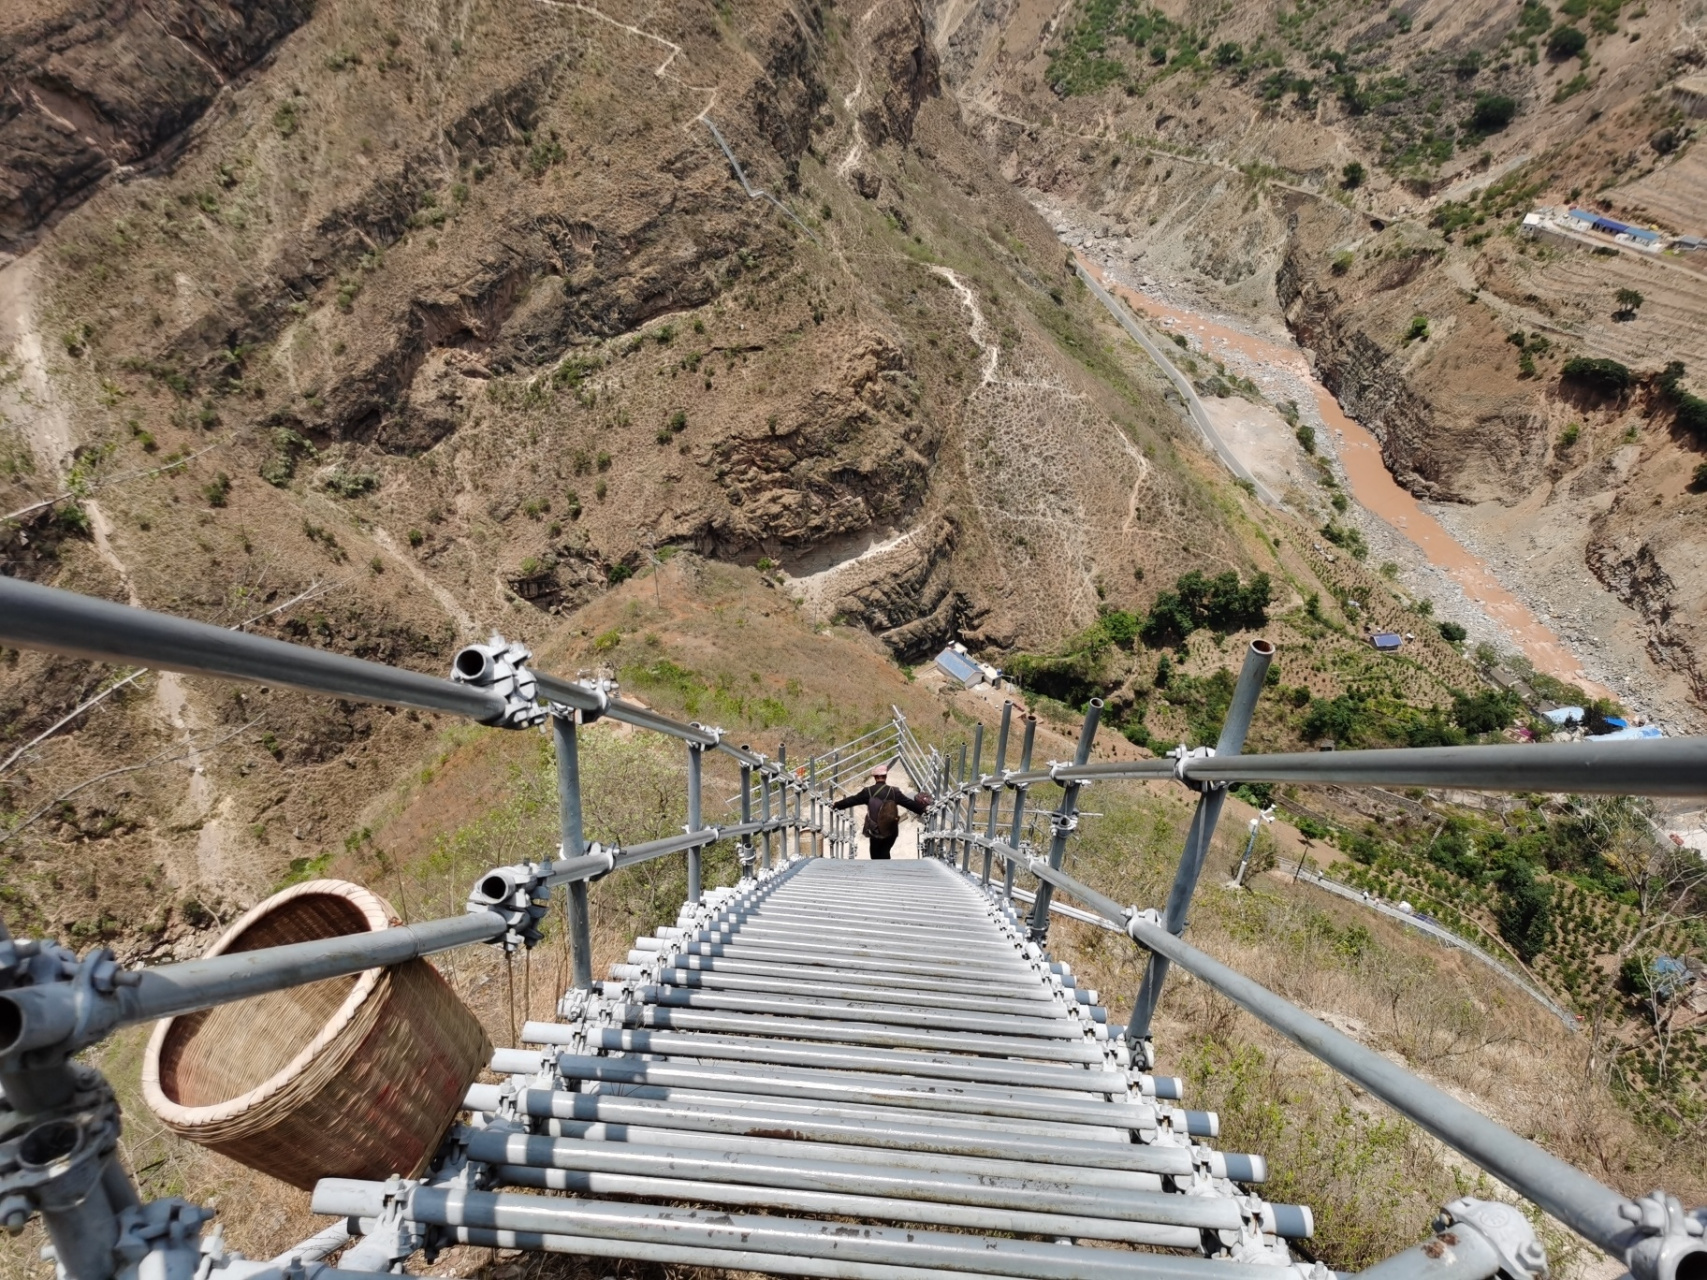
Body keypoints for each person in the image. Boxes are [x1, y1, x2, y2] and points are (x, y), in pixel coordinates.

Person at [832, 764, 930, 860]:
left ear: (875, 777)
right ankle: (886, 870)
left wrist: (837, 804)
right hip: (890, 829)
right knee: (885, 852)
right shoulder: (894, 792)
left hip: (875, 830)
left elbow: (852, 800)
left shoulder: (868, 791)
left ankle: (879, 872)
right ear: (885, 776)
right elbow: (908, 803)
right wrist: (923, 809)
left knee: (875, 854)